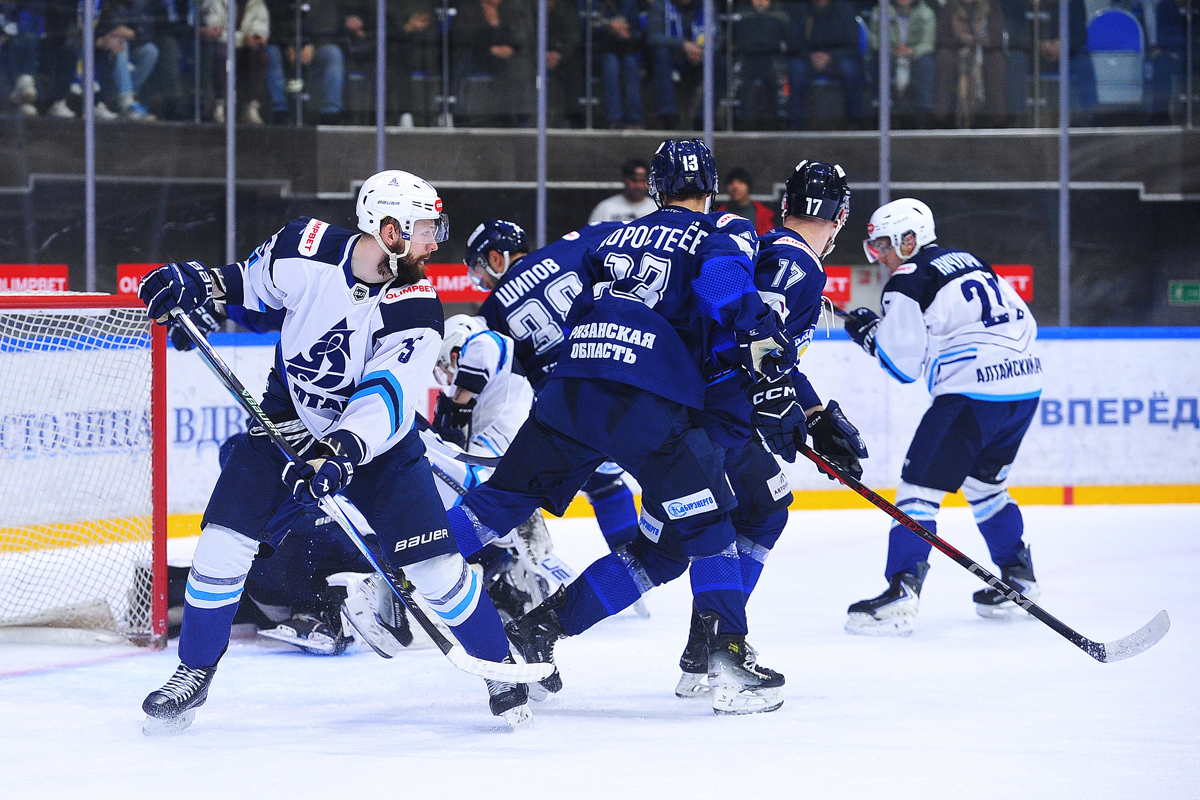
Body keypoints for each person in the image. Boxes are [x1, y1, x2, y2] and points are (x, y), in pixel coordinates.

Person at [136, 169, 534, 733]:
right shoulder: (305, 246)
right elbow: (249, 284)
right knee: (221, 546)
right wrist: (199, 283)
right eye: (426, 229)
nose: (434, 242)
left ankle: (499, 668)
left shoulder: (416, 304)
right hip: (286, 421)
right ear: (390, 230)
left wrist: (340, 451)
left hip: (379, 450)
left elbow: (386, 395)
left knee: (436, 570)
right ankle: (192, 673)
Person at [444, 139, 805, 716]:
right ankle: (727, 659)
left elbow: (566, 302)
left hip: (572, 384)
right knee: (710, 523)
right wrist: (764, 338)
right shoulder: (724, 227)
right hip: (646, 400)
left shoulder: (614, 235)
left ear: (656, 190)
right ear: (710, 189)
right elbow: (720, 288)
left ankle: (405, 568)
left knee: (502, 498)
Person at [671, 160, 868, 699]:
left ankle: (706, 650)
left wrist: (814, 413)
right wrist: (771, 404)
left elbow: (773, 353)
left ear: (785, 206)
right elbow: (749, 344)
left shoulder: (780, 251)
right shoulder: (794, 262)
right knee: (679, 543)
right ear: (841, 217)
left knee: (761, 509)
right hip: (716, 415)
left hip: (715, 410)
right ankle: (716, 652)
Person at [841, 198, 1043, 635]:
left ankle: (901, 593)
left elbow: (902, 367)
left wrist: (870, 335)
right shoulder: (971, 261)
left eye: (884, 245)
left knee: (918, 490)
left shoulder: (908, 278)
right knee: (986, 484)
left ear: (909, 240)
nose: (880, 257)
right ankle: (1020, 577)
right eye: (875, 247)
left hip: (972, 393)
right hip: (1024, 386)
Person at [465, 219, 644, 561]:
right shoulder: (571, 247)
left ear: (496, 257)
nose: (481, 278)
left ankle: (466, 557)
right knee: (640, 477)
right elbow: (632, 231)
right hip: (622, 375)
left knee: (524, 490)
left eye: (479, 266)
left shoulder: (492, 313)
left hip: (566, 408)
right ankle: (646, 561)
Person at [786, 0, 867, 130]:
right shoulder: (799, 10)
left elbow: (852, 43)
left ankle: (855, 122)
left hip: (838, 58)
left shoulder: (845, 9)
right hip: (807, 59)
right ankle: (796, 124)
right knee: (796, 70)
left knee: (850, 70)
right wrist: (810, 56)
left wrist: (831, 57)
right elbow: (793, 43)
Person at [932, 0, 1007, 128]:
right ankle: (942, 117)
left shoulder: (992, 7)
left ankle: (997, 117)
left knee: (995, 61)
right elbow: (942, 38)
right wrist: (961, 40)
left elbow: (997, 36)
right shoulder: (950, 7)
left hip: (983, 52)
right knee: (945, 59)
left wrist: (981, 40)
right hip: (957, 51)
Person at [868, 0, 936, 123]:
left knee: (926, 63)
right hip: (889, 53)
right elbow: (874, 38)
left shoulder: (926, 13)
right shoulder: (881, 11)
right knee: (880, 62)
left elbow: (928, 43)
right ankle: (883, 110)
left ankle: (923, 112)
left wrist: (912, 51)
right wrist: (890, 50)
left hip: (915, 55)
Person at [732, 0, 789, 129]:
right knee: (742, 85)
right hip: (747, 59)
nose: (760, 2)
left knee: (778, 84)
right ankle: (743, 124)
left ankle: (778, 124)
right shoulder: (741, 16)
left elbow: (787, 42)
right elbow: (735, 42)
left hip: (772, 58)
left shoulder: (781, 17)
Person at [593, 0, 646, 129]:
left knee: (630, 63)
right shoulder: (594, 4)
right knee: (611, 62)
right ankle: (614, 117)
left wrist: (628, 33)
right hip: (599, 53)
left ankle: (635, 118)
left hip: (624, 50)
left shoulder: (629, 4)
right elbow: (586, 30)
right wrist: (608, 28)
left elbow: (639, 33)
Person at [588, 158, 657, 223]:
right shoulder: (605, 208)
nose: (638, 185)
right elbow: (593, 230)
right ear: (624, 180)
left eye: (643, 180)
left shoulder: (656, 208)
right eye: (634, 180)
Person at [716, 167, 775, 234]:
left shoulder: (764, 215)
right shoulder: (718, 215)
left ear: (748, 186)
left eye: (740, 182)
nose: (735, 187)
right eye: (731, 183)